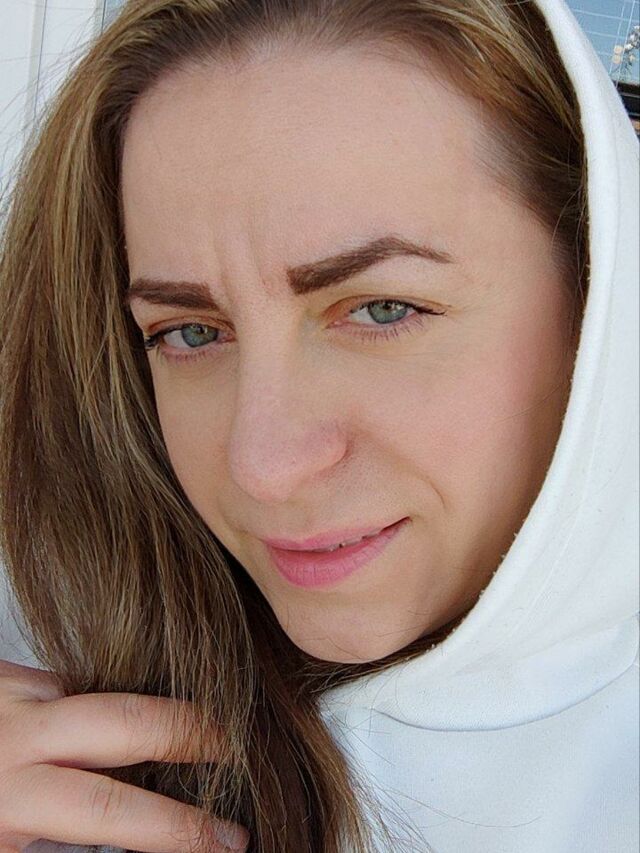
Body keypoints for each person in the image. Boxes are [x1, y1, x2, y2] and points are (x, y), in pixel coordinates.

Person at [0, 0, 637, 850]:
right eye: (190, 333)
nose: (263, 466)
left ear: (599, 298)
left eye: (382, 309)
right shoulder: (50, 708)